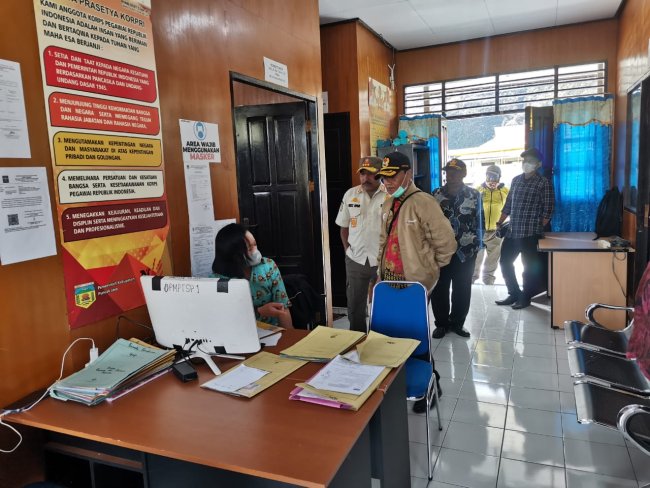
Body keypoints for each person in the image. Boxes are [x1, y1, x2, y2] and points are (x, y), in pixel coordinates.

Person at [375, 151, 456, 414]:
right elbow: (383, 242)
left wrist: (431, 268)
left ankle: (430, 386)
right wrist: (379, 271)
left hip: (415, 285)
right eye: (384, 178)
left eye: (393, 176)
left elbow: (446, 242)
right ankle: (397, 385)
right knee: (391, 334)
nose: (388, 183)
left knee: (414, 334)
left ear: (407, 174)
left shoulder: (423, 202)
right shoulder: (388, 204)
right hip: (389, 282)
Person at [495, 148, 554, 310]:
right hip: (513, 231)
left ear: (538, 164)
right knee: (505, 263)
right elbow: (508, 204)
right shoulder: (516, 180)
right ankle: (513, 293)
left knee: (528, 268)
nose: (526, 164)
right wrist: (500, 222)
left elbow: (548, 209)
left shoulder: (544, 183)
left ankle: (525, 297)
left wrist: (537, 227)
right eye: (524, 161)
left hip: (530, 234)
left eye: (530, 161)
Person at [431, 158, 483, 339]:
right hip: (441, 251)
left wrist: (478, 245)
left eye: (455, 172)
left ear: (463, 174)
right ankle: (441, 324)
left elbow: (479, 221)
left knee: (462, 289)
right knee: (440, 288)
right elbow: (429, 222)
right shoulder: (435, 194)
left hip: (465, 251)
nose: (450, 175)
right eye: (448, 172)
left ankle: (457, 323)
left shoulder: (473, 194)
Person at [335, 156, 386, 332]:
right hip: (356, 259)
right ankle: (357, 344)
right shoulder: (351, 195)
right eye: (362, 174)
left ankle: (382, 343)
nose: (365, 178)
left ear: (380, 174)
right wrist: (348, 250)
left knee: (384, 306)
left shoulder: (390, 196)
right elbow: (343, 227)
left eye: (370, 174)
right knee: (355, 308)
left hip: (383, 261)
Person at [212, 223, 293, 328]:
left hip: (272, 330)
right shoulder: (219, 280)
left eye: (255, 244)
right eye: (249, 249)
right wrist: (259, 311)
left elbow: (283, 306)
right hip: (239, 332)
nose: (255, 251)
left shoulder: (268, 266)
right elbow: (224, 316)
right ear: (234, 256)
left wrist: (291, 335)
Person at [473, 164, 509, 285]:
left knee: (493, 258)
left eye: (495, 178)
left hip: (496, 230)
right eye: (489, 177)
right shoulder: (478, 190)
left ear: (499, 178)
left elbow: (510, 208)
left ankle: (488, 279)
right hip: (480, 230)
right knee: (477, 256)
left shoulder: (505, 191)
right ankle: (472, 278)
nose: (492, 181)